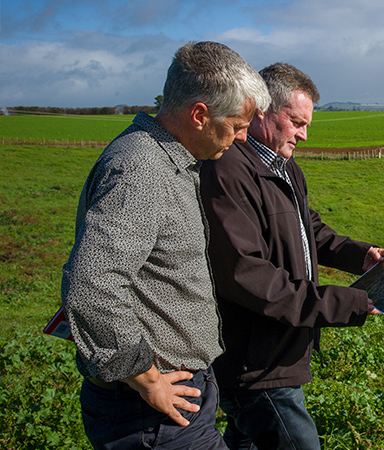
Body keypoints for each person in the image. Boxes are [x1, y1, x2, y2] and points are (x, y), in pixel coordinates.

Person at [60, 41, 271, 449]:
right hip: (150, 412)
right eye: (238, 125)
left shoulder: (171, 159)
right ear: (199, 115)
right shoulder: (141, 169)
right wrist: (148, 378)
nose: (244, 138)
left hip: (170, 403)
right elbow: (92, 286)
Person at [199, 62, 384, 450]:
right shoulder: (226, 170)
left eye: (307, 125)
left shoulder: (284, 167)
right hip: (255, 364)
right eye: (297, 122)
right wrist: (344, 302)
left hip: (279, 351)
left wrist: (361, 256)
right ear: (262, 110)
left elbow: (308, 229)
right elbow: (244, 273)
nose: (303, 134)